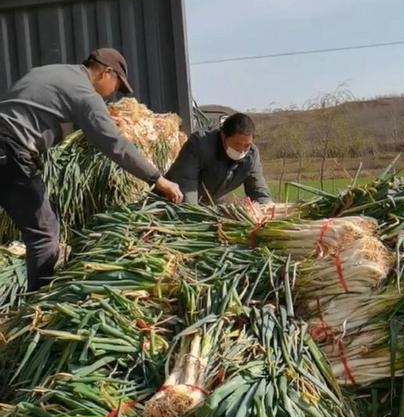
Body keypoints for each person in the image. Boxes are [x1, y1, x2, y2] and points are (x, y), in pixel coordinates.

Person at [0, 48, 183, 291]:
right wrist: (157, 179)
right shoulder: (85, 93)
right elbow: (114, 144)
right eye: (116, 86)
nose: (112, 95)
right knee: (45, 233)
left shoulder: (51, 72)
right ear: (106, 72)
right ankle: (37, 308)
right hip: (11, 152)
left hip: (6, 144)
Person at [165, 111, 272, 206]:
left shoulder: (252, 155)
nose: (241, 150)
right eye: (237, 144)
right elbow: (186, 183)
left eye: (246, 145)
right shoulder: (200, 144)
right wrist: (193, 215)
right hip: (173, 201)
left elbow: (257, 188)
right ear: (223, 136)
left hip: (210, 204)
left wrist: (266, 207)